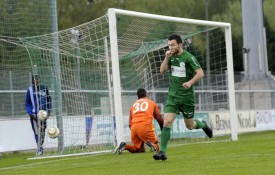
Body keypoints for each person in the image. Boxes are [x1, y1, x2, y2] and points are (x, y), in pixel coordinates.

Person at [153, 34, 213, 161]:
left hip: (187, 97)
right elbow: (162, 71)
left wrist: (190, 82)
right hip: (173, 96)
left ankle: (203, 125)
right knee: (167, 122)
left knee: (189, 126)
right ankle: (162, 152)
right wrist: (166, 58)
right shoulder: (170, 56)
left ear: (180, 45)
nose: (170, 47)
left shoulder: (189, 57)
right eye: (169, 45)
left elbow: (200, 73)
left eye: (172, 45)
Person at [115, 88, 163, 154]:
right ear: (146, 94)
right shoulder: (151, 103)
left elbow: (130, 123)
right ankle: (152, 145)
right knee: (157, 146)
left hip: (134, 127)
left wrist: (137, 132)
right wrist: (162, 128)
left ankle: (125, 146)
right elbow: (159, 118)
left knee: (139, 149)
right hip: (145, 126)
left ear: (137, 96)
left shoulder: (133, 105)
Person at [25, 74, 51, 156]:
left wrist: (49, 112)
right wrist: (30, 113)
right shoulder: (30, 90)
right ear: (32, 81)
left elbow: (49, 100)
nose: (36, 80)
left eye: (38, 79)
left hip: (43, 115)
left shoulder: (44, 88)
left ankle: (40, 146)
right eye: (34, 79)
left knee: (42, 132)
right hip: (34, 116)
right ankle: (39, 149)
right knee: (37, 132)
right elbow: (27, 103)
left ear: (40, 80)